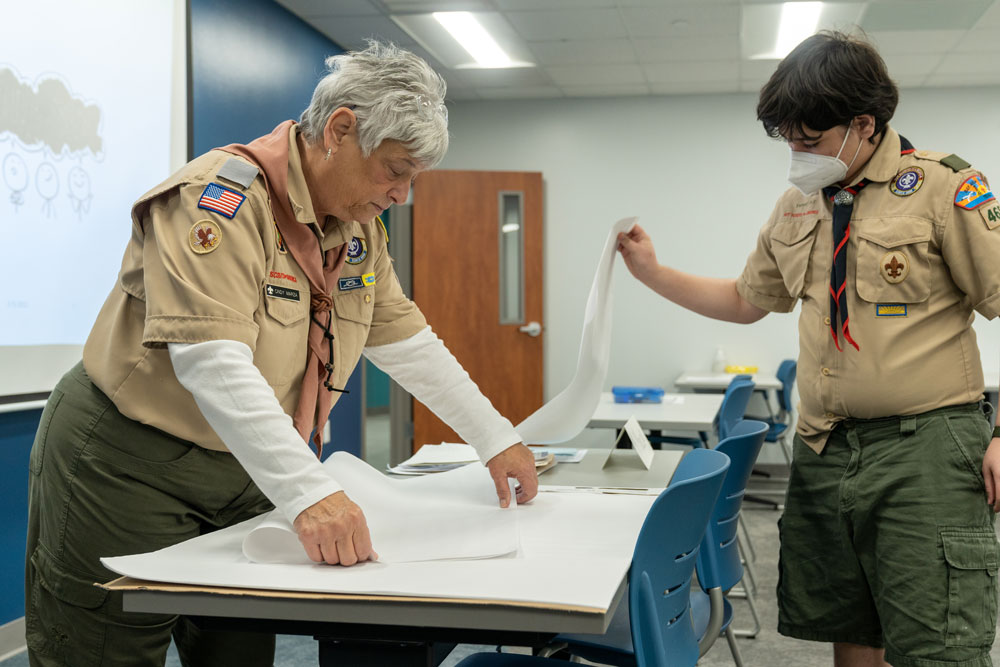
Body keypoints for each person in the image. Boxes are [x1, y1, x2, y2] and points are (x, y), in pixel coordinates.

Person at [24, 41, 538, 666]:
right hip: (129, 464)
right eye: (395, 170)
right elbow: (212, 363)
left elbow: (406, 340)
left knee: (238, 650)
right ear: (341, 130)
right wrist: (309, 493)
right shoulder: (219, 200)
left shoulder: (355, 231)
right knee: (108, 651)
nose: (404, 195)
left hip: (246, 469)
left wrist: (495, 437)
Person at [618, 31, 1000, 667]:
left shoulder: (944, 189)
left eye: (809, 139)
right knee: (849, 626)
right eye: (787, 138)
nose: (796, 152)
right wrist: (653, 273)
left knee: (938, 645)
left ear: (864, 125)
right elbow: (746, 300)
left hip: (925, 448)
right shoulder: (798, 206)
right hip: (827, 449)